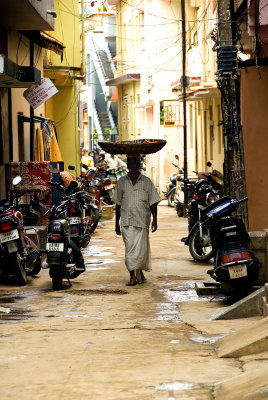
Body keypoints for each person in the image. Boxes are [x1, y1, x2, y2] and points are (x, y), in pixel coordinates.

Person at [113, 155, 162, 286]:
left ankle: (139, 273)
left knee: (141, 250)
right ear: (127, 166)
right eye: (130, 163)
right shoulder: (122, 182)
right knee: (130, 248)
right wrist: (116, 223)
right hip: (127, 221)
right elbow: (118, 204)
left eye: (135, 163)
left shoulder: (146, 182)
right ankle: (132, 276)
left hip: (142, 220)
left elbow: (153, 202)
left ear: (138, 165)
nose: (132, 166)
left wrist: (155, 219)